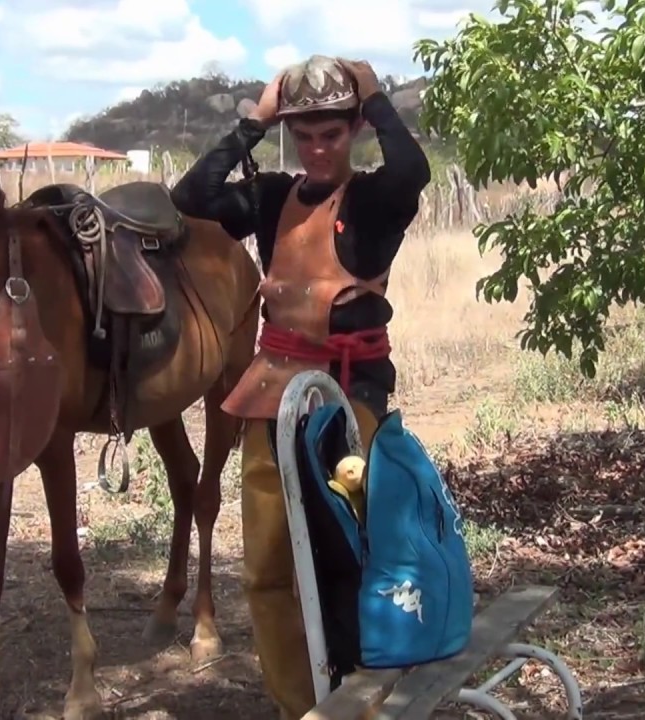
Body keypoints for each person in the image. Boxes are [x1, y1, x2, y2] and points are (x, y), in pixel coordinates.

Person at [170, 54, 431, 718]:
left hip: (349, 396)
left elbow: (412, 171)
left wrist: (372, 95)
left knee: (349, 559)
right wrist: (256, 121)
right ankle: (299, 705)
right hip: (270, 395)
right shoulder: (270, 196)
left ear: (352, 132)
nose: (317, 148)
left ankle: (362, 702)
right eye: (304, 135)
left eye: (332, 133)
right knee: (266, 569)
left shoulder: (373, 200)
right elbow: (191, 197)